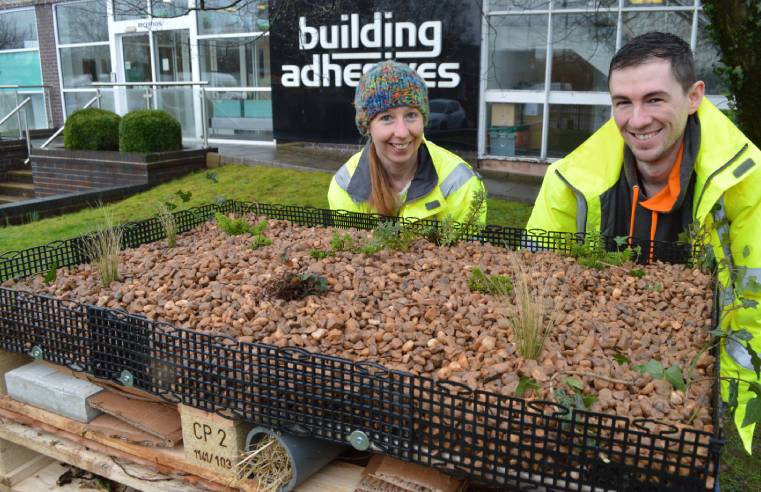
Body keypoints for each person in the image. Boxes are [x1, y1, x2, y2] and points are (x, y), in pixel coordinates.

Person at [527, 32, 761, 453]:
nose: (636, 120)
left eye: (654, 99)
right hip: (593, 386)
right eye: (622, 103)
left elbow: (753, 303)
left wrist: (721, 402)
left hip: (690, 401)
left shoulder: (749, 183)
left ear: (694, 97)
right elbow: (533, 287)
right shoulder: (568, 181)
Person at [328, 60, 486, 225]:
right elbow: (349, 248)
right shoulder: (345, 185)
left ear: (423, 119)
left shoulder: (459, 184)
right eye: (386, 118)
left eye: (411, 115)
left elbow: (467, 251)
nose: (402, 133)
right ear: (367, 127)